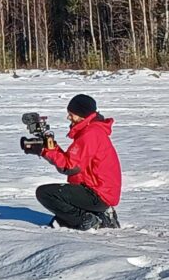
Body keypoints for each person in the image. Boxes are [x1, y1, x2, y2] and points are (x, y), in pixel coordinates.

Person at [34, 94, 121, 230]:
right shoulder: (93, 130)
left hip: (98, 193)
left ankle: (89, 219)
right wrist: (49, 147)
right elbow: (73, 161)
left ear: (82, 115)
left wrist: (45, 151)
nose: (69, 117)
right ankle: (101, 214)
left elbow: (70, 167)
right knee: (59, 221)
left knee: (45, 193)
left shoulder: (90, 134)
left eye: (71, 114)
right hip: (100, 191)